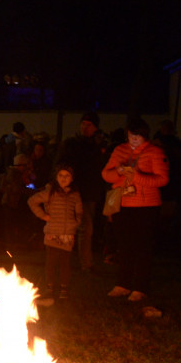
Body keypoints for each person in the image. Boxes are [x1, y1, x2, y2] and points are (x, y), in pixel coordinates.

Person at [101, 117, 170, 303]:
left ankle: (140, 287)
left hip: (146, 207)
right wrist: (119, 173)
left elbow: (163, 179)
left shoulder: (154, 152)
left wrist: (138, 177)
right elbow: (105, 174)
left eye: (137, 137)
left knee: (143, 247)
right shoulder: (119, 150)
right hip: (122, 205)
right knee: (124, 245)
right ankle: (123, 284)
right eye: (131, 136)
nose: (133, 140)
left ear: (144, 136)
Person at [56, 112, 108, 271]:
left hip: (87, 193)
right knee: (69, 227)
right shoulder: (71, 144)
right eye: (83, 124)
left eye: (89, 125)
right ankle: (67, 261)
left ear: (95, 128)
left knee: (85, 228)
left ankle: (85, 262)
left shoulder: (97, 146)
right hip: (71, 191)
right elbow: (60, 163)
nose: (85, 127)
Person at [28, 165, 83, 299]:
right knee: (51, 262)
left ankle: (64, 288)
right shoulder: (50, 192)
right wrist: (43, 215)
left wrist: (76, 222)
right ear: (56, 177)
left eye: (67, 176)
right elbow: (32, 201)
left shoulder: (74, 194)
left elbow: (79, 210)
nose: (63, 179)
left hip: (67, 234)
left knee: (65, 262)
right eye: (60, 175)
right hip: (53, 232)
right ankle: (50, 287)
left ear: (72, 178)